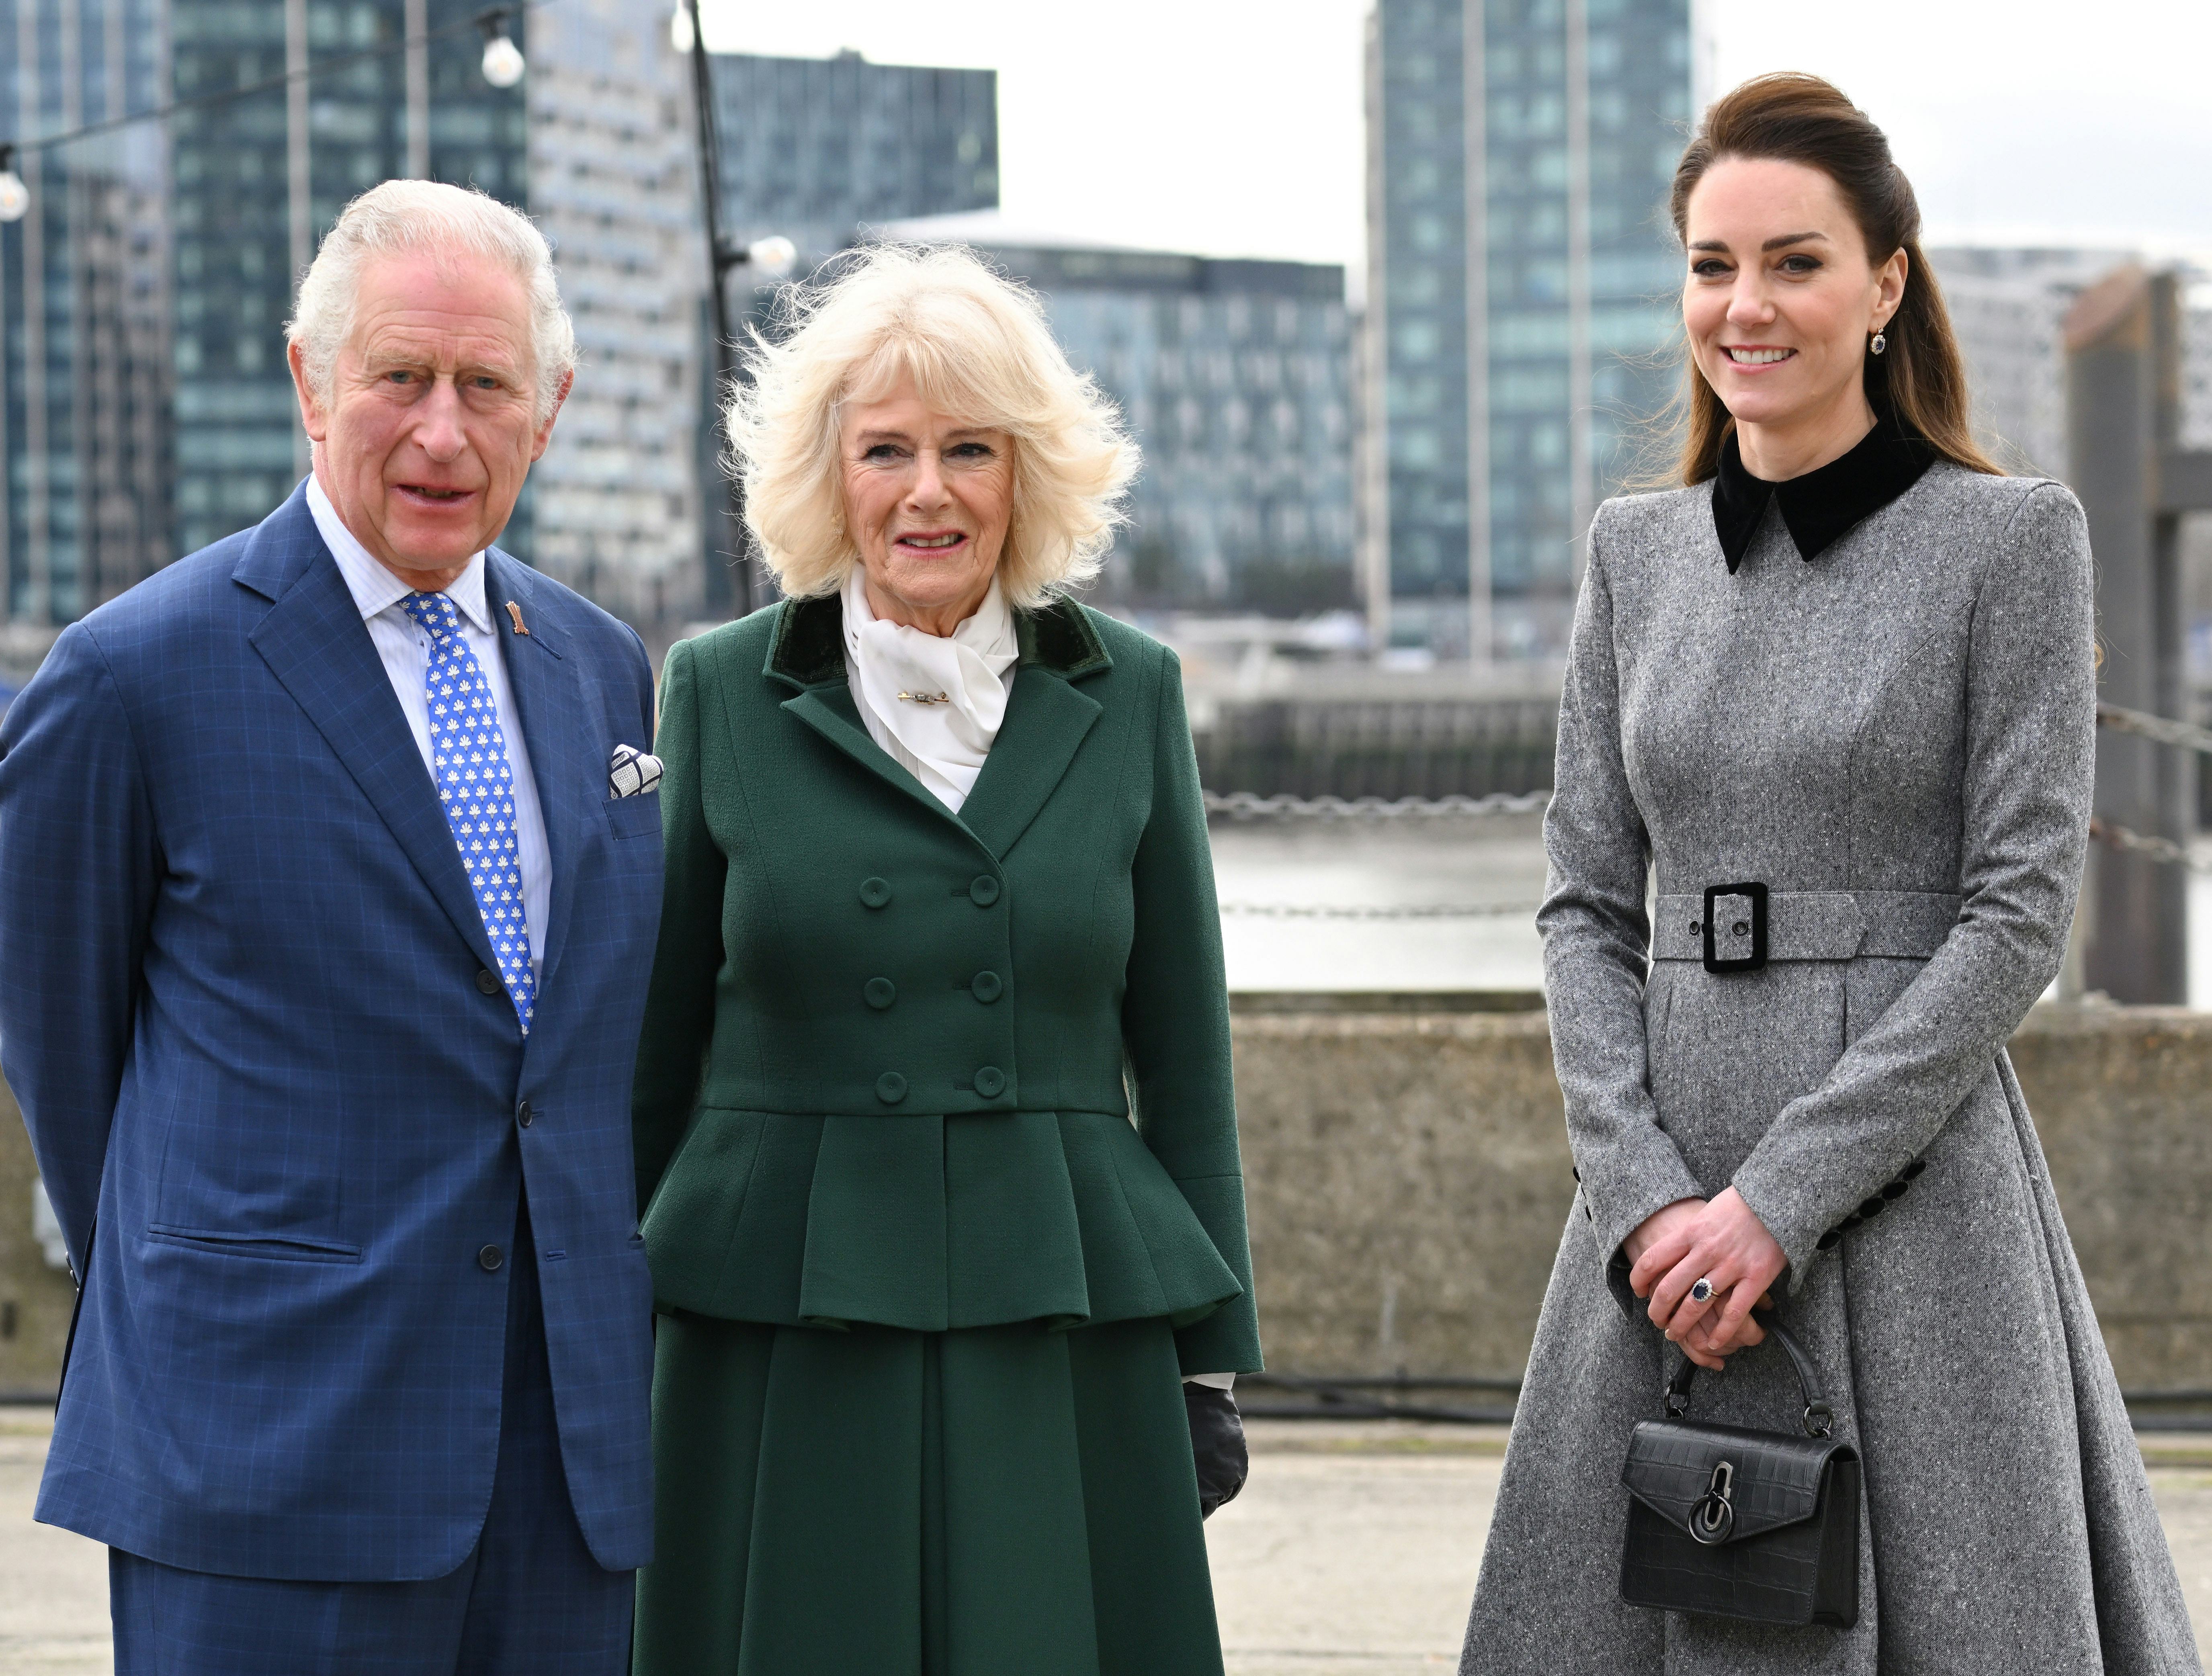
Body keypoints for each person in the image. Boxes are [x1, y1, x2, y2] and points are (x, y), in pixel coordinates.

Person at [1459, 74, 2200, 1673]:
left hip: (1911, 1194)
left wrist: (1778, 1200)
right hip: (1653, 1212)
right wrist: (1647, 1194)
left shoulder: (2007, 541)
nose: (1745, 305)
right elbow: (1584, 900)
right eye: (1710, 264)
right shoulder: (1628, 556)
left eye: (1792, 262)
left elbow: (2012, 914)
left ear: (1883, 284)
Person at [0, 180, 665, 1675]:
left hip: (567, 1462)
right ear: (310, 382)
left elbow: (577, 1050)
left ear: (545, 410)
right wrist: (235, 1288)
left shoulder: (601, 667)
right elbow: (64, 1047)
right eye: (401, 378)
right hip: (264, 1459)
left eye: (486, 386)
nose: (444, 432)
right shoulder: (131, 677)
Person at [629, 242, 1262, 1674]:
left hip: (1059, 1306)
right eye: (887, 450)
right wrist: (619, 1333)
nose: (928, 491)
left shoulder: (1133, 689)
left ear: (1027, 474)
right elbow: (652, 1050)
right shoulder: (717, 687)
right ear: (827, 476)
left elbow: (1183, 1049)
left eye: (970, 449)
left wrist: (1207, 1355)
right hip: (774, 1315)